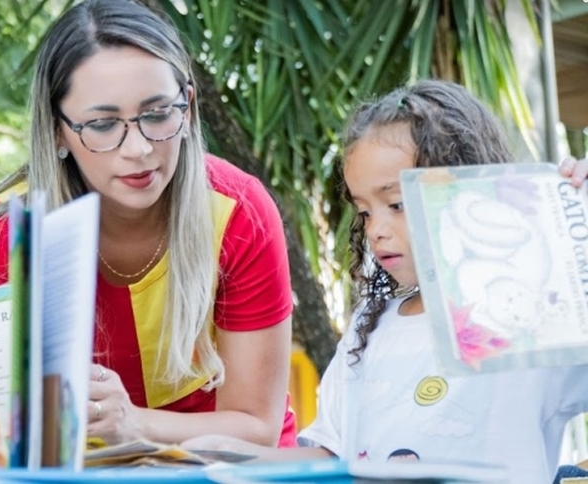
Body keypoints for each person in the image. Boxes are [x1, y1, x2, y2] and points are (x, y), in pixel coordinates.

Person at [181, 79, 588, 483]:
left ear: (471, 188)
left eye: (395, 204)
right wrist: (208, 456)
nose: (376, 229)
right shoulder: (368, 329)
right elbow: (328, 458)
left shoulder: (534, 317)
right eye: (364, 212)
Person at [0, 0, 296, 448]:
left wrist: (135, 424)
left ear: (187, 108)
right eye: (103, 124)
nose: (138, 148)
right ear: (57, 130)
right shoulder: (6, 238)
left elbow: (256, 427)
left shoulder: (239, 212)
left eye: (156, 114)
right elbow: (0, 431)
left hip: (224, 466)